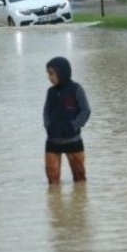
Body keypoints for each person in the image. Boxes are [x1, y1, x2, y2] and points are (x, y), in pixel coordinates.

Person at [43, 56, 91, 184]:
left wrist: (73, 126)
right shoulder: (50, 92)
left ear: (61, 72)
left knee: (80, 179)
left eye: (52, 73)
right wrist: (48, 126)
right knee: (52, 182)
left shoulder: (76, 89)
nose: (50, 77)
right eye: (48, 74)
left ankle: (79, 204)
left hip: (73, 141)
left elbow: (85, 111)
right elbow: (46, 112)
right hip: (52, 141)